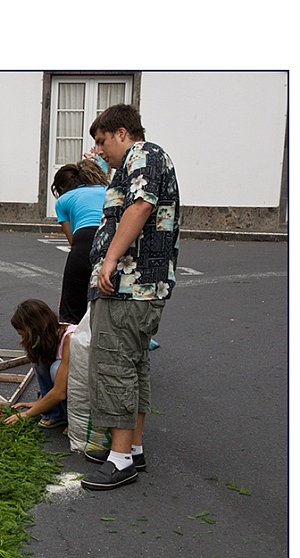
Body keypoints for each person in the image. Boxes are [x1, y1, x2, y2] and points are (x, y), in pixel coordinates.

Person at [80, 104, 180, 491]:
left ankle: (120, 459)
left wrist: (109, 259)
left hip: (130, 283)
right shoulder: (144, 158)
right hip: (138, 285)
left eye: (103, 141)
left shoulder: (144, 154)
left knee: (116, 365)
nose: (100, 150)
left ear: (122, 132)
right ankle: (132, 448)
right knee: (134, 364)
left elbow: (140, 205)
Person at [51, 159, 110, 324]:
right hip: (113, 238)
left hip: (84, 240)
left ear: (61, 187)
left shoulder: (64, 200)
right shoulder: (108, 190)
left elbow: (72, 240)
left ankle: (70, 341)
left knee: (72, 305)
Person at [2, 299, 75, 429]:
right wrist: (40, 402)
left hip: (90, 387)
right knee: (41, 361)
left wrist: (26, 414)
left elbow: (59, 392)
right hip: (71, 382)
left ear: (35, 330)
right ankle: (55, 413)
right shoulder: (51, 335)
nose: (23, 339)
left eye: (24, 335)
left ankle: (74, 417)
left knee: (55, 369)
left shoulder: (70, 338)